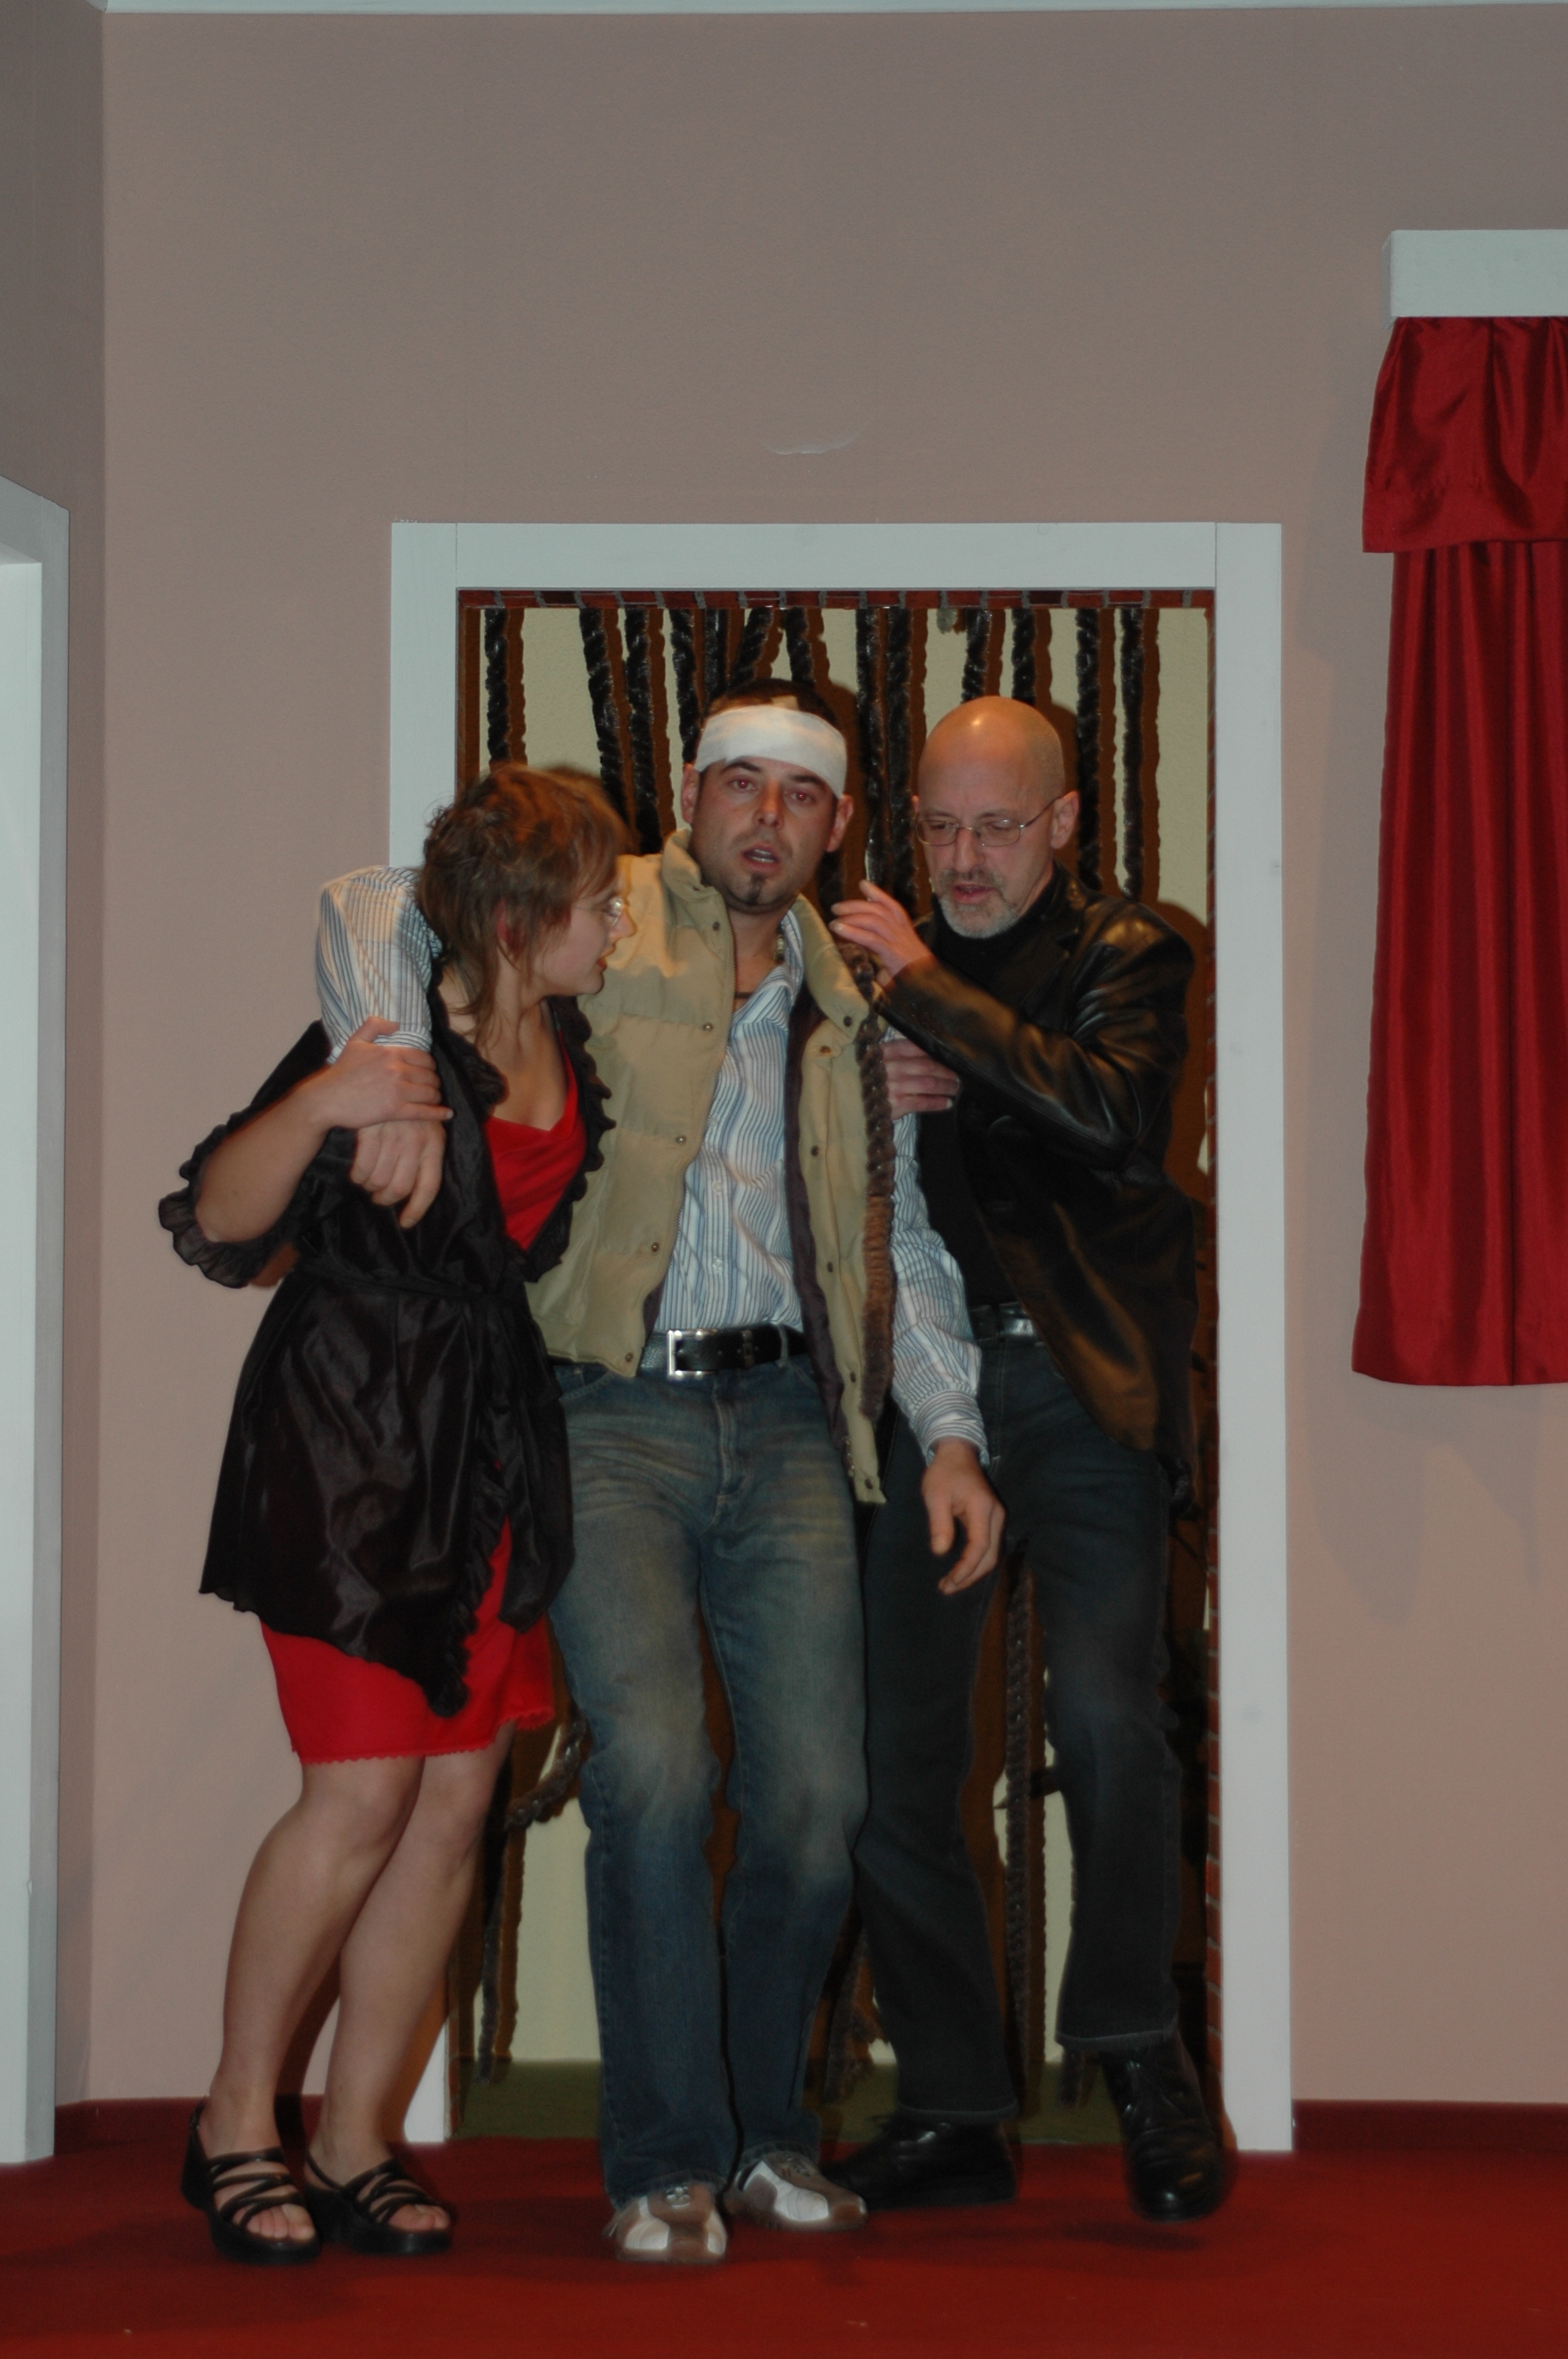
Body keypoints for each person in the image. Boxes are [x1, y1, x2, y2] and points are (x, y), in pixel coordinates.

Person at [315, 679, 1004, 2264]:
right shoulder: (606, 911)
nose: (766, 816)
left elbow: (897, 1237)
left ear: (839, 823)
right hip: (609, 1407)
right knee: (654, 1775)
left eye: (801, 793)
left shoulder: (860, 993)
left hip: (794, 1423)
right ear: (690, 798)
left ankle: (764, 2136)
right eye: (738, 783)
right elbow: (366, 902)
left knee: (817, 1800)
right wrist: (394, 1070)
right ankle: (665, 2159)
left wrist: (952, 1434)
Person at [159, 765, 629, 2265]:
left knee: (450, 1803)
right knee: (359, 1795)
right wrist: (327, 1098)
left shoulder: (571, 1031)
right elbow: (221, 1221)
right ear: (520, 920)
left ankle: (357, 2135)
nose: (617, 927)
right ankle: (237, 2119)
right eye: (597, 904)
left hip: (478, 1448)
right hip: (348, 1442)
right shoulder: (388, 1025)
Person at [826, 694, 1224, 2226]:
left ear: (1062, 822)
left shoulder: (1128, 951)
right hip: (920, 1383)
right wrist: (865, 1081)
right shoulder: (862, 976)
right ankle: (951, 2100)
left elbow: (1114, 1117)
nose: (963, 857)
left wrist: (935, 1005)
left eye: (997, 826)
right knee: (893, 1764)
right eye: (937, 826)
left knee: (1110, 1714)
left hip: (1082, 1377)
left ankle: (1138, 2051)